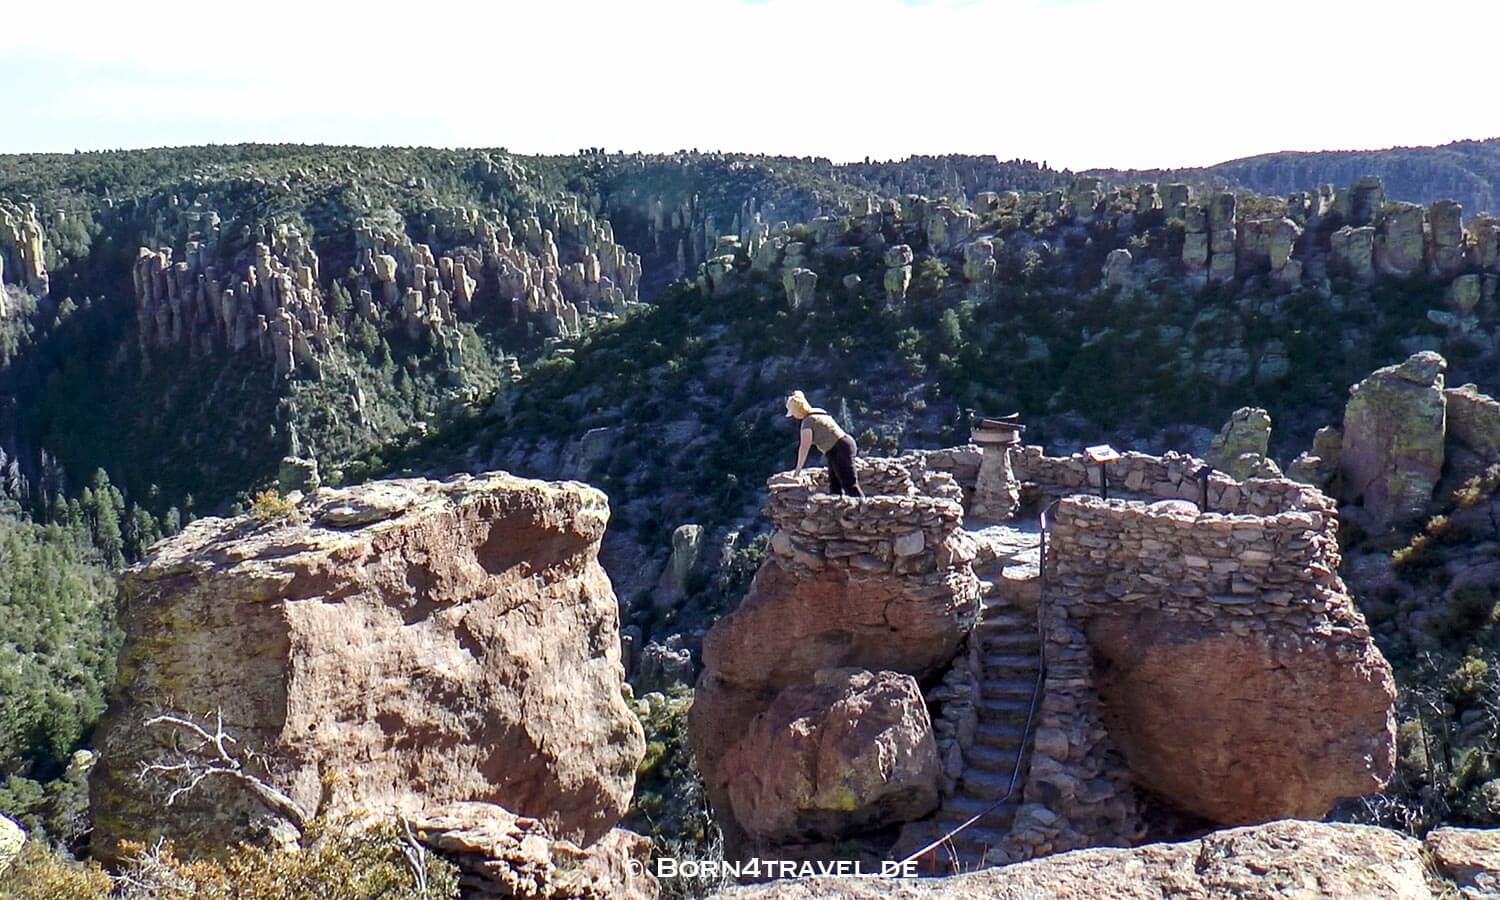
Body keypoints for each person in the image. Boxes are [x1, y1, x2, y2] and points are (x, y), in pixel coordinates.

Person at [785, 390, 864, 497]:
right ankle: (839, 510)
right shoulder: (818, 412)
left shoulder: (807, 422)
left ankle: (862, 507)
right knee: (835, 484)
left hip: (840, 448)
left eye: (793, 413)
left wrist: (798, 469)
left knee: (849, 484)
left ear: (797, 411)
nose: (793, 416)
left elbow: (804, 447)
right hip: (842, 445)